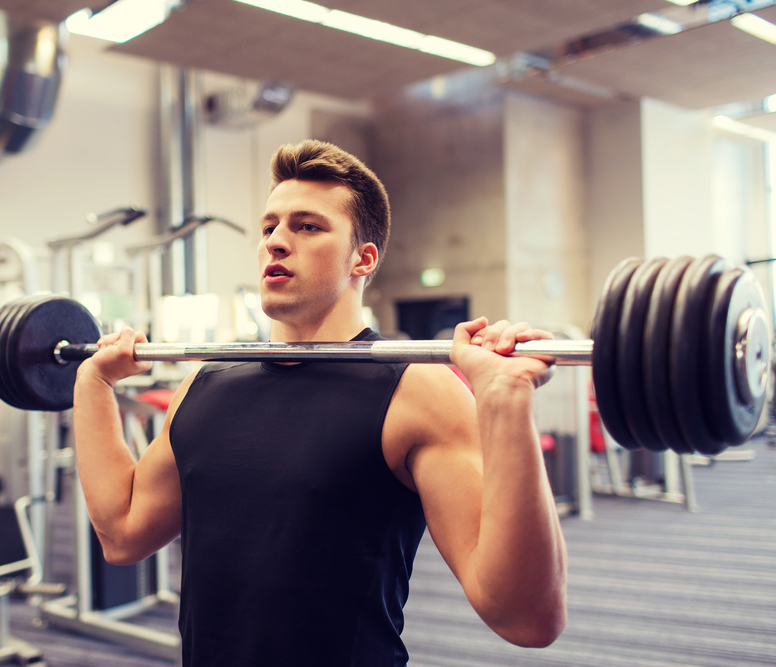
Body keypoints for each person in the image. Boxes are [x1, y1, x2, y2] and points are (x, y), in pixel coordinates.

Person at [73, 140, 567, 666]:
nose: (277, 242)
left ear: (364, 257)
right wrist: (92, 385)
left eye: (307, 226)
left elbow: (524, 616)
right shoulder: (206, 384)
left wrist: (505, 401)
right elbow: (123, 533)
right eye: (269, 227)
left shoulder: (417, 391)